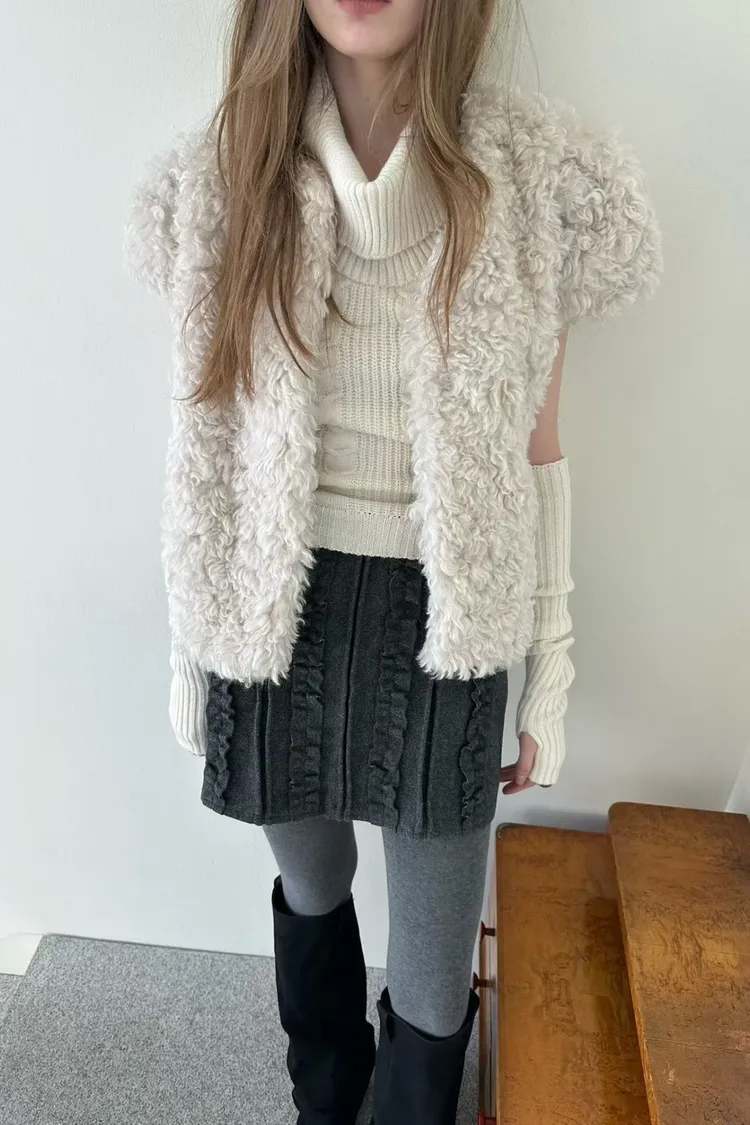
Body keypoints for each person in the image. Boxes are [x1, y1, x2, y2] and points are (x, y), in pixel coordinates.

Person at [124, 0, 661, 1120]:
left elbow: (537, 449)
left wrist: (551, 657)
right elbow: (202, 436)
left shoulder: (540, 185)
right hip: (275, 608)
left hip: (446, 619)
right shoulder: (221, 182)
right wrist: (189, 641)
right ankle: (325, 1101)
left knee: (431, 971)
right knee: (313, 887)